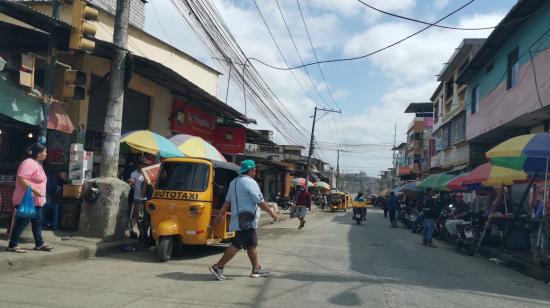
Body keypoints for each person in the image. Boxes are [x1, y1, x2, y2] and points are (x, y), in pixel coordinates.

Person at [209, 160, 278, 281]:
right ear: (250, 170)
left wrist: (220, 214)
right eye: (255, 169)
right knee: (237, 244)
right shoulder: (250, 183)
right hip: (247, 220)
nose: (255, 172)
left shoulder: (234, 182)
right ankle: (218, 267)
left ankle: (256, 269)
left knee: (252, 244)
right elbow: (260, 202)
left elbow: (227, 201)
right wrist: (272, 213)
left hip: (239, 218)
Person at [7, 143, 53, 253]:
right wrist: (34, 190)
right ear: (38, 153)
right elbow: (21, 179)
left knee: (37, 222)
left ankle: (39, 244)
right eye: (44, 152)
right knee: (22, 222)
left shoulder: (37, 164)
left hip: (36, 201)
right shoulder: (28, 163)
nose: (46, 154)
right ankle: (12, 245)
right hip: (26, 200)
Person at [128, 156, 149, 240]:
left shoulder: (147, 173)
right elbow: (132, 184)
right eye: (143, 164)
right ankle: (141, 234)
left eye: (145, 164)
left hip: (146, 199)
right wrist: (131, 183)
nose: (144, 165)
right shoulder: (134, 174)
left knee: (146, 219)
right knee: (138, 218)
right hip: (137, 199)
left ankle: (145, 234)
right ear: (139, 164)